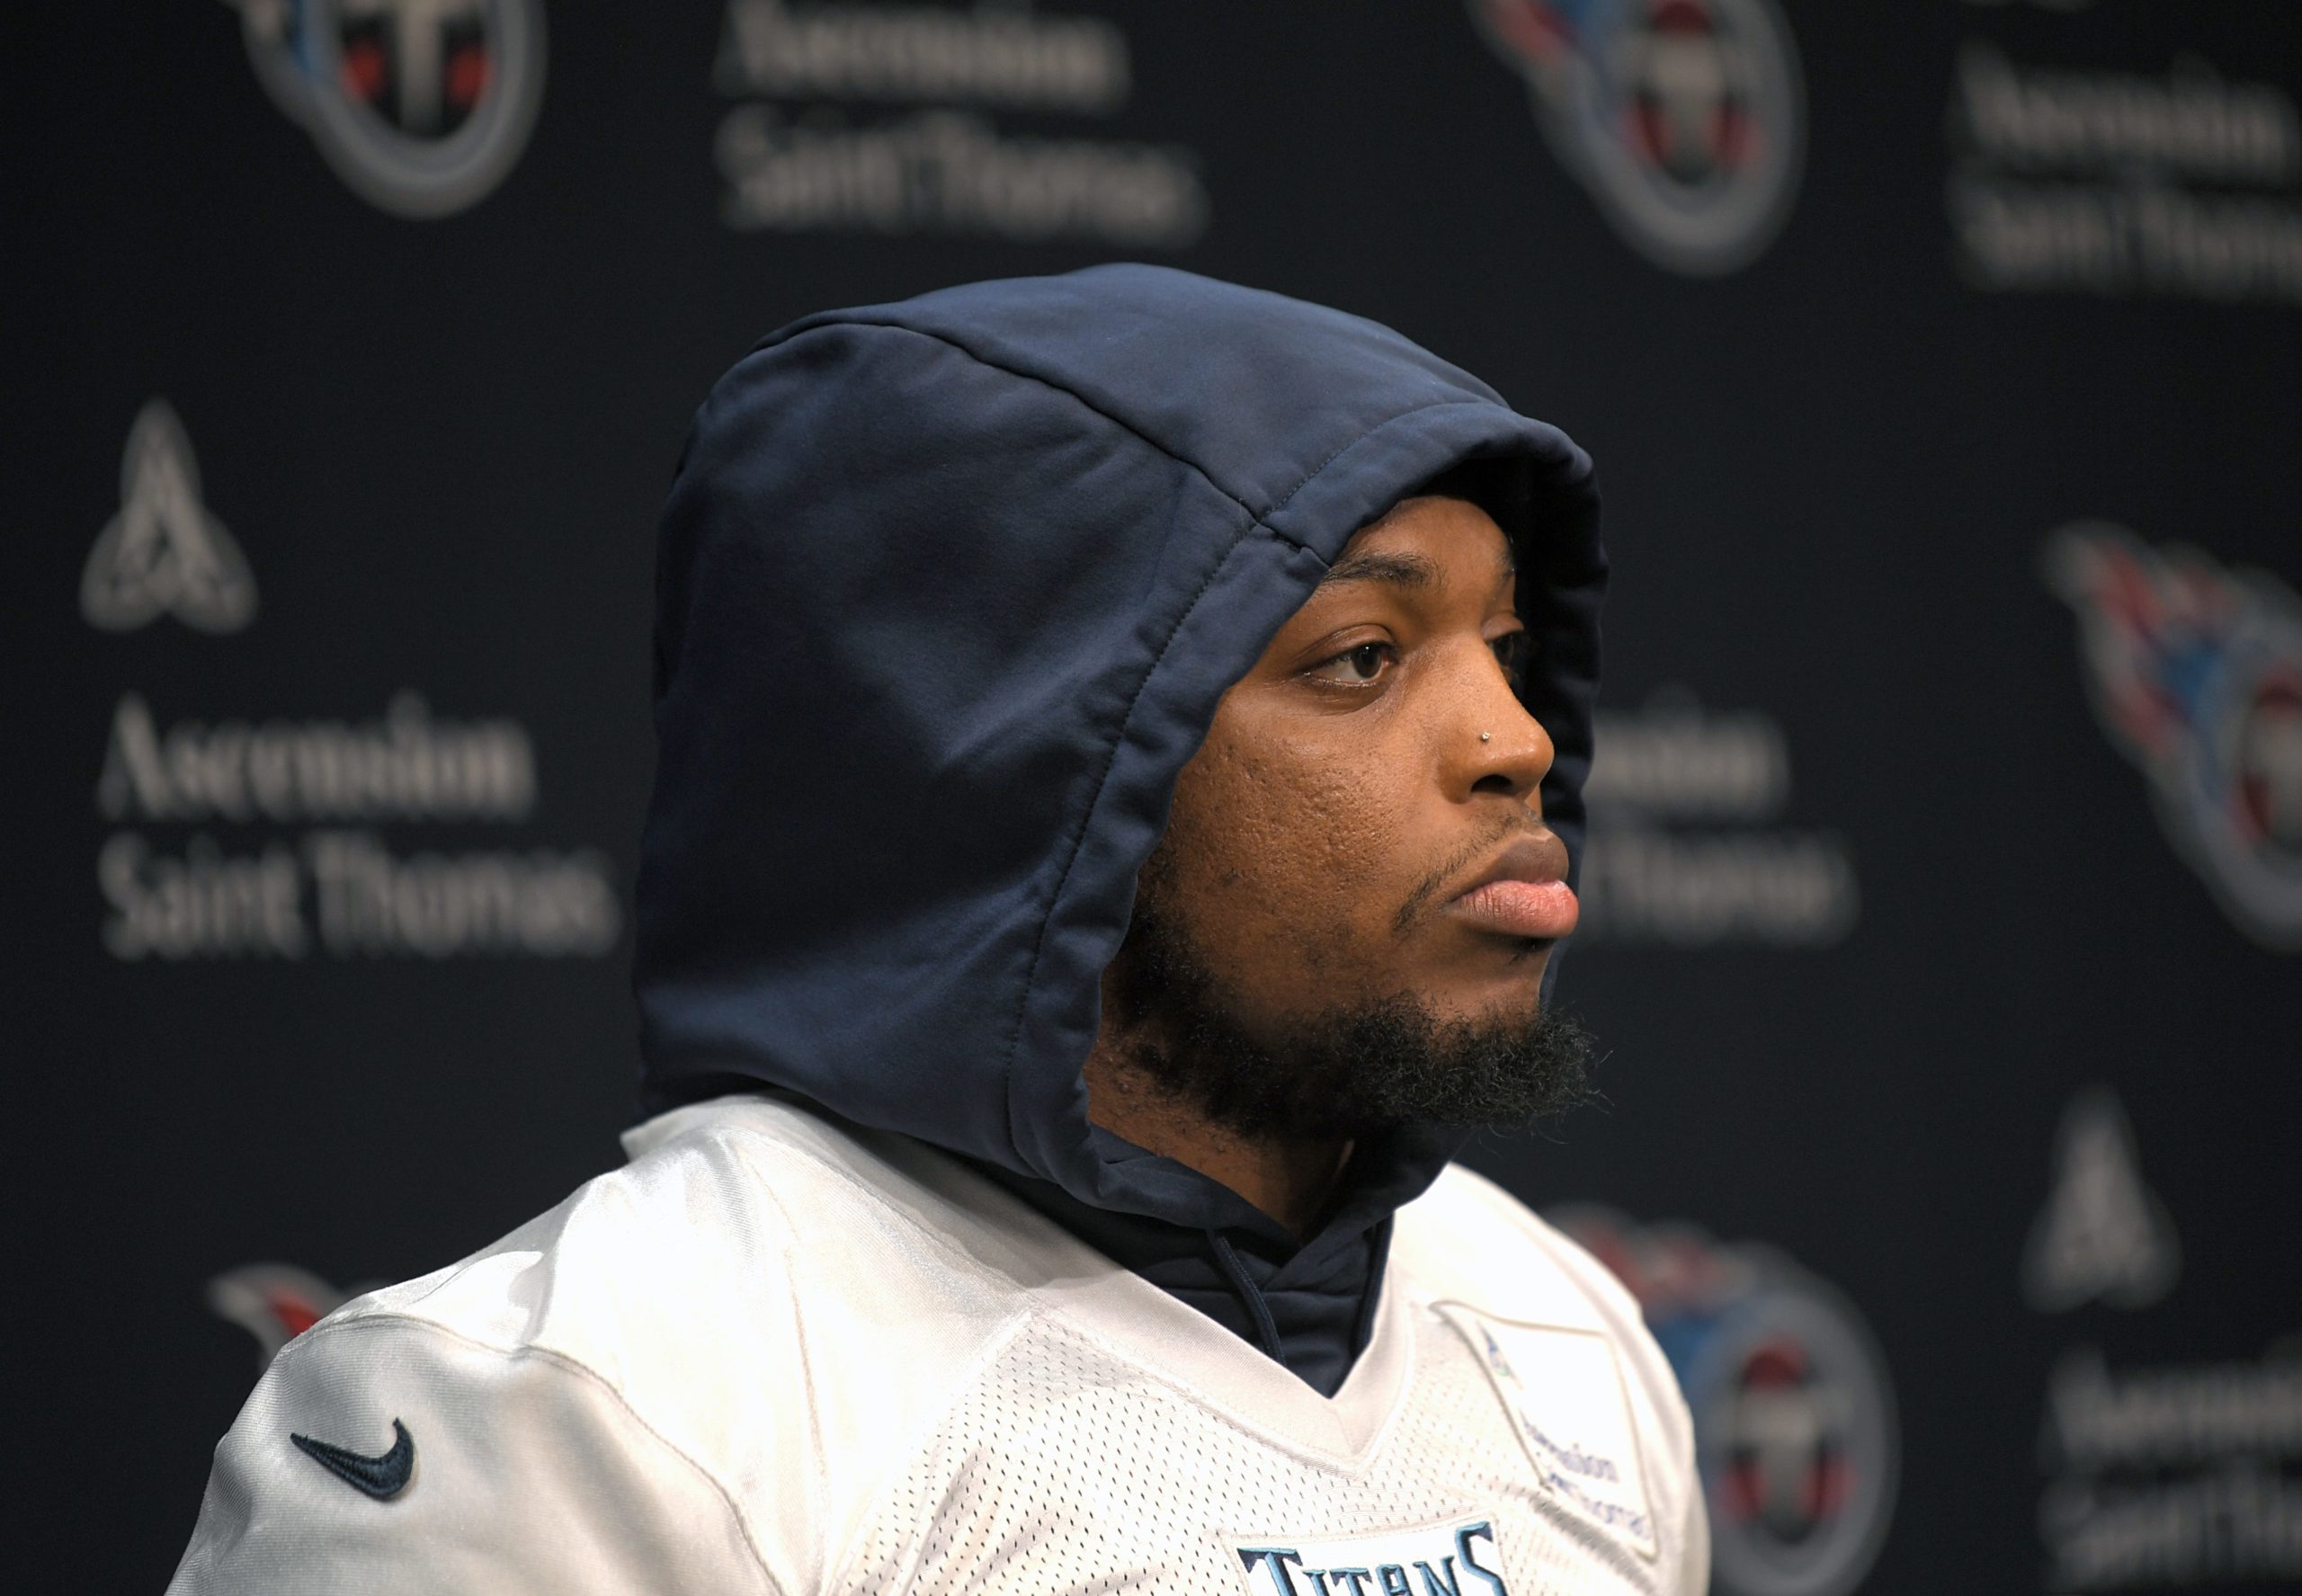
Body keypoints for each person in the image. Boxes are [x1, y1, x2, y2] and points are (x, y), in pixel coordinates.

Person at [169, 264, 1704, 1594]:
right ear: (1022, 773)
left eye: (1504, 649)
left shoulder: (1549, 1326)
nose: (1513, 741)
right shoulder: (581, 1410)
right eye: (1364, 657)